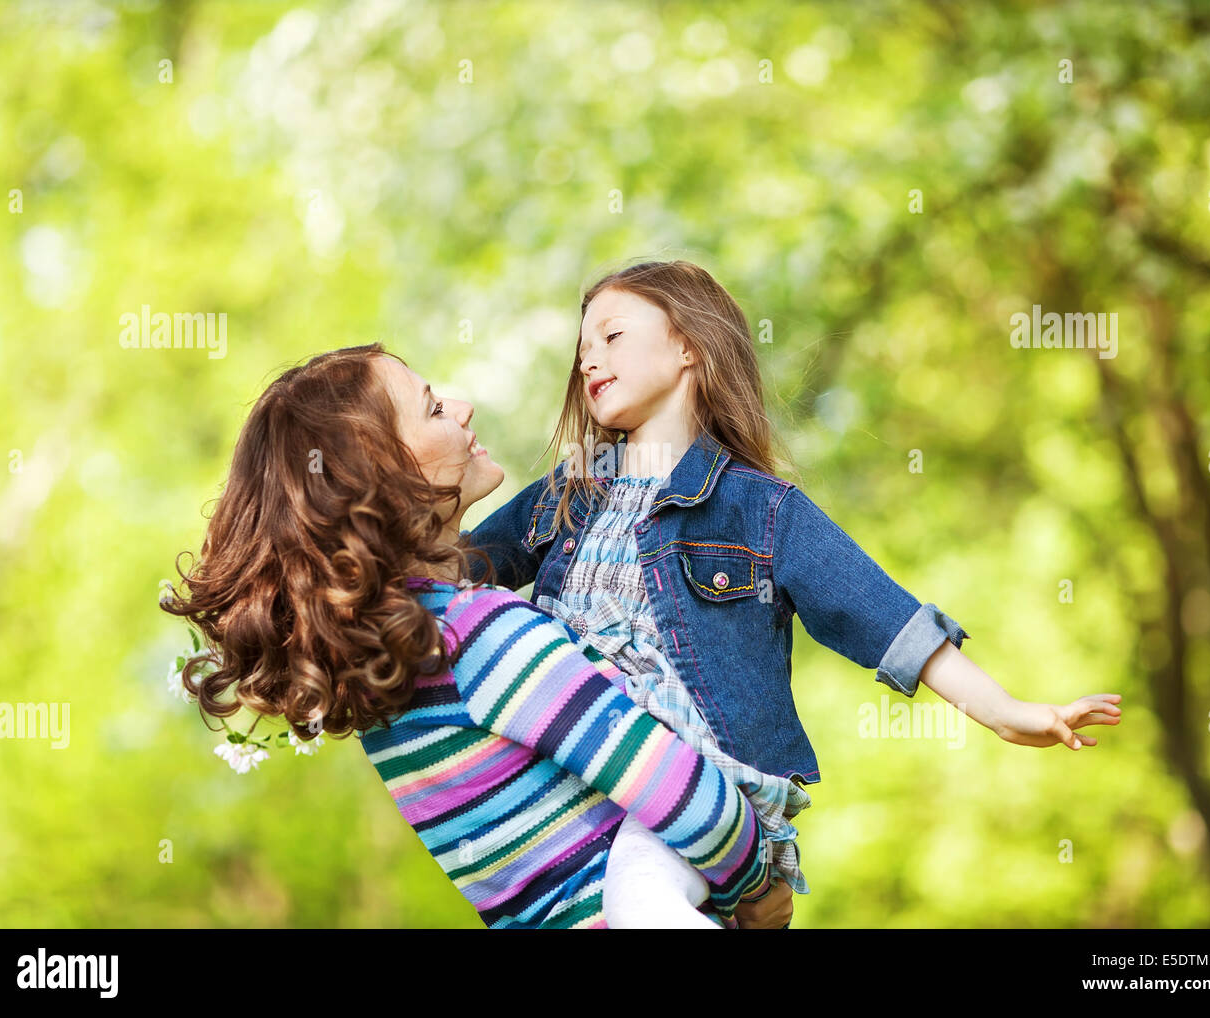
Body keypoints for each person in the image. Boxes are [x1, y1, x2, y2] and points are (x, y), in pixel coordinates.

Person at [465, 259, 1124, 928]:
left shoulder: (758, 509)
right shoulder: (566, 495)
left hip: (700, 784)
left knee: (641, 903)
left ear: (689, 345)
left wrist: (1007, 711)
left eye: (612, 337)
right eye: (582, 349)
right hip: (577, 782)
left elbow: (881, 616)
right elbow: (450, 580)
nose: (589, 360)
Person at [160, 344, 787, 929]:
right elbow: (690, 798)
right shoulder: (476, 639)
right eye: (433, 408)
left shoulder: (391, 681)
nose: (462, 407)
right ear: (382, 478)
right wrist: (758, 885)